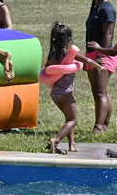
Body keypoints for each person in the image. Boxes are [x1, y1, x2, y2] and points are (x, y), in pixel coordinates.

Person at [44, 22, 104, 153]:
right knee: (73, 120)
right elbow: (87, 61)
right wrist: (99, 67)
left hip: (55, 93)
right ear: (67, 40)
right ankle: (56, 140)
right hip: (65, 93)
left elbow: (46, 70)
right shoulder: (69, 54)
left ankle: (72, 145)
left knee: (69, 118)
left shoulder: (52, 55)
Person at [85, 0, 115, 133]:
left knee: (99, 93)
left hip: (102, 55)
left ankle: (98, 127)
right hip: (92, 54)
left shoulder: (106, 9)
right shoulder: (96, 6)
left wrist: (102, 56)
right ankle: (105, 125)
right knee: (101, 91)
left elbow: (108, 34)